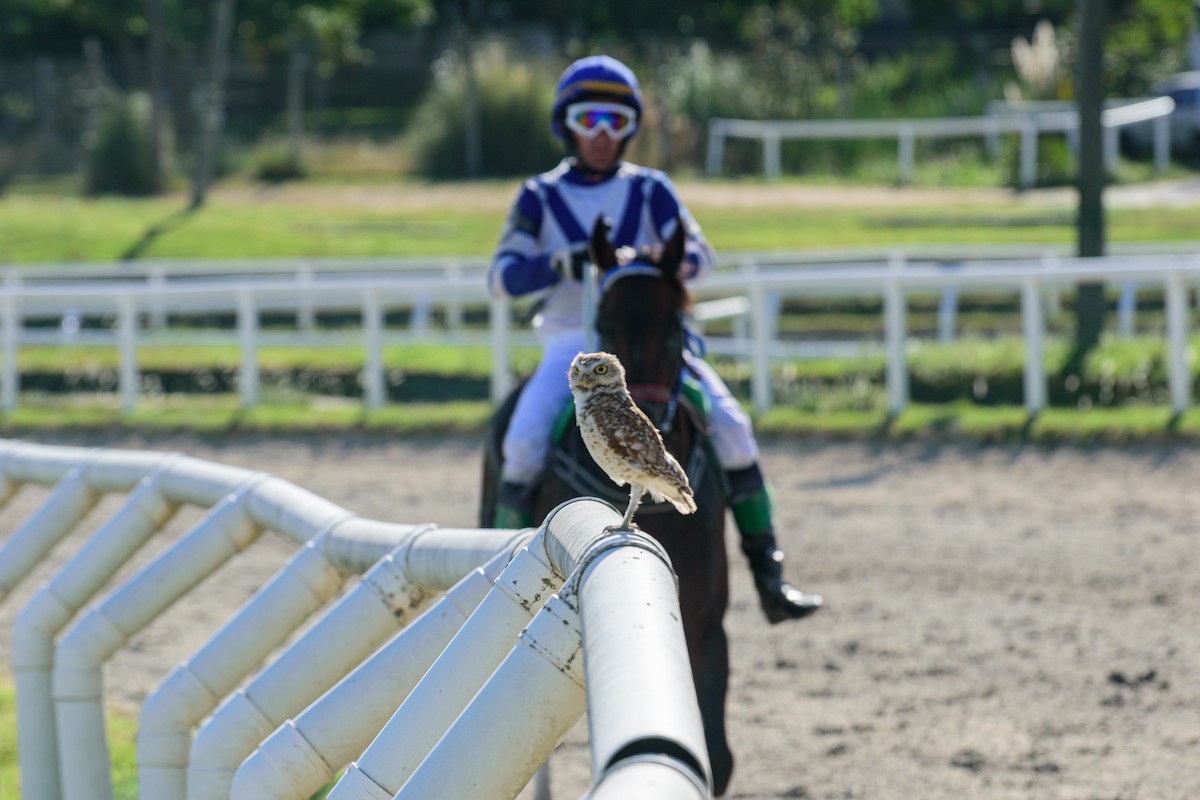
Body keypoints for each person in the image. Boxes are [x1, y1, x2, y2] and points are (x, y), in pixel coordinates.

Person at [487, 54, 820, 623]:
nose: (600, 134)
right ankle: (500, 589)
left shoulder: (652, 189)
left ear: (631, 128)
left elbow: (700, 257)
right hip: (572, 344)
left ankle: (769, 574)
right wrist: (562, 263)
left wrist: (642, 265)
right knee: (520, 445)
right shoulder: (538, 196)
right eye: (589, 119)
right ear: (566, 123)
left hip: (652, 340)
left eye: (614, 121)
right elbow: (502, 277)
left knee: (735, 428)